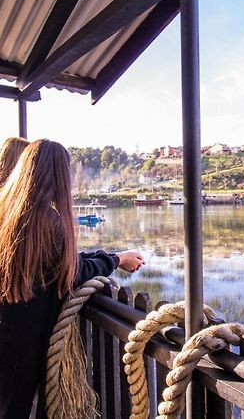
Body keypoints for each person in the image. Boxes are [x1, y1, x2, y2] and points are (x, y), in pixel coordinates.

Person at [0, 139, 144, 419]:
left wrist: (111, 255)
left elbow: (60, 261)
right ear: (59, 176)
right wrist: (114, 261)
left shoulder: (9, 211)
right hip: (25, 342)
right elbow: (72, 272)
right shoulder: (49, 221)